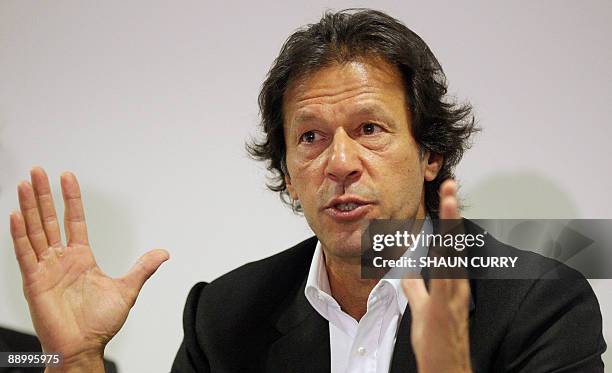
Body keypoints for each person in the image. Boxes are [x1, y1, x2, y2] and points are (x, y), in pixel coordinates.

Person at [8, 9, 606, 373]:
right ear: (289, 173)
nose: (340, 161)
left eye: (370, 130)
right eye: (312, 136)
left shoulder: (539, 304)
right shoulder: (227, 315)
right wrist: (77, 361)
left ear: (430, 153)